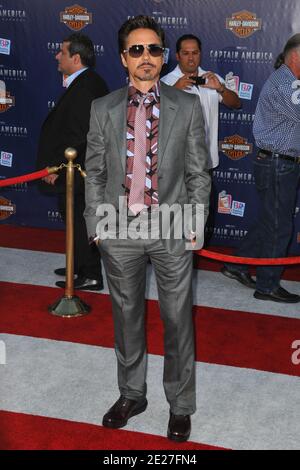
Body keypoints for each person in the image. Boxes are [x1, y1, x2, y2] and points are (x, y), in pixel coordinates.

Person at [84, 16, 211, 442]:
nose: (146, 58)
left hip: (171, 226)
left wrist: (195, 223)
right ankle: (132, 394)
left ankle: (180, 404)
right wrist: (96, 225)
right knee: (126, 318)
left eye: (153, 49)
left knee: (178, 320)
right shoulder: (102, 108)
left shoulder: (187, 105)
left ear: (163, 56)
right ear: (123, 58)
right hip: (118, 227)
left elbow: (198, 173)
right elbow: (96, 171)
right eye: (136, 50)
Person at [221, 34, 300, 304]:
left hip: (277, 162)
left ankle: (236, 264)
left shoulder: (288, 81)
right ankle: (267, 285)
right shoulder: (286, 83)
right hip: (278, 163)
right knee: (279, 226)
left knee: (271, 221)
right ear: (296, 56)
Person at [36, 33, 109, 291]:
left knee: (79, 220)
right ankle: (79, 264)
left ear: (75, 58)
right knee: (75, 218)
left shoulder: (86, 86)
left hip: (76, 170)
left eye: (62, 52)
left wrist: (57, 167)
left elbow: (80, 137)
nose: (57, 55)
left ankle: (90, 274)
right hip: (77, 169)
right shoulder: (85, 82)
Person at [161, 34, 241, 169]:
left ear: (200, 54)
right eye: (186, 53)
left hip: (207, 160)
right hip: (178, 162)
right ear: (177, 56)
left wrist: (221, 88)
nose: (191, 58)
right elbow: (155, 118)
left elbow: (236, 104)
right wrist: (173, 91)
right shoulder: (166, 82)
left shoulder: (212, 78)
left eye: (195, 53)